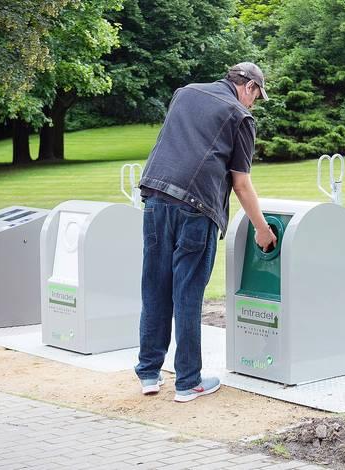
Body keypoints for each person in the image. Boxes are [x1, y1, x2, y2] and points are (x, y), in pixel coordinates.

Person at [134, 62, 277, 402]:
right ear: (250, 87)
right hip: (196, 208)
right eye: (256, 96)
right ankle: (187, 382)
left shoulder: (184, 94)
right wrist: (262, 230)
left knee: (154, 286)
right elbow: (241, 184)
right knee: (186, 293)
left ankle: (149, 373)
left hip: (155, 197)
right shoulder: (240, 116)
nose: (253, 104)